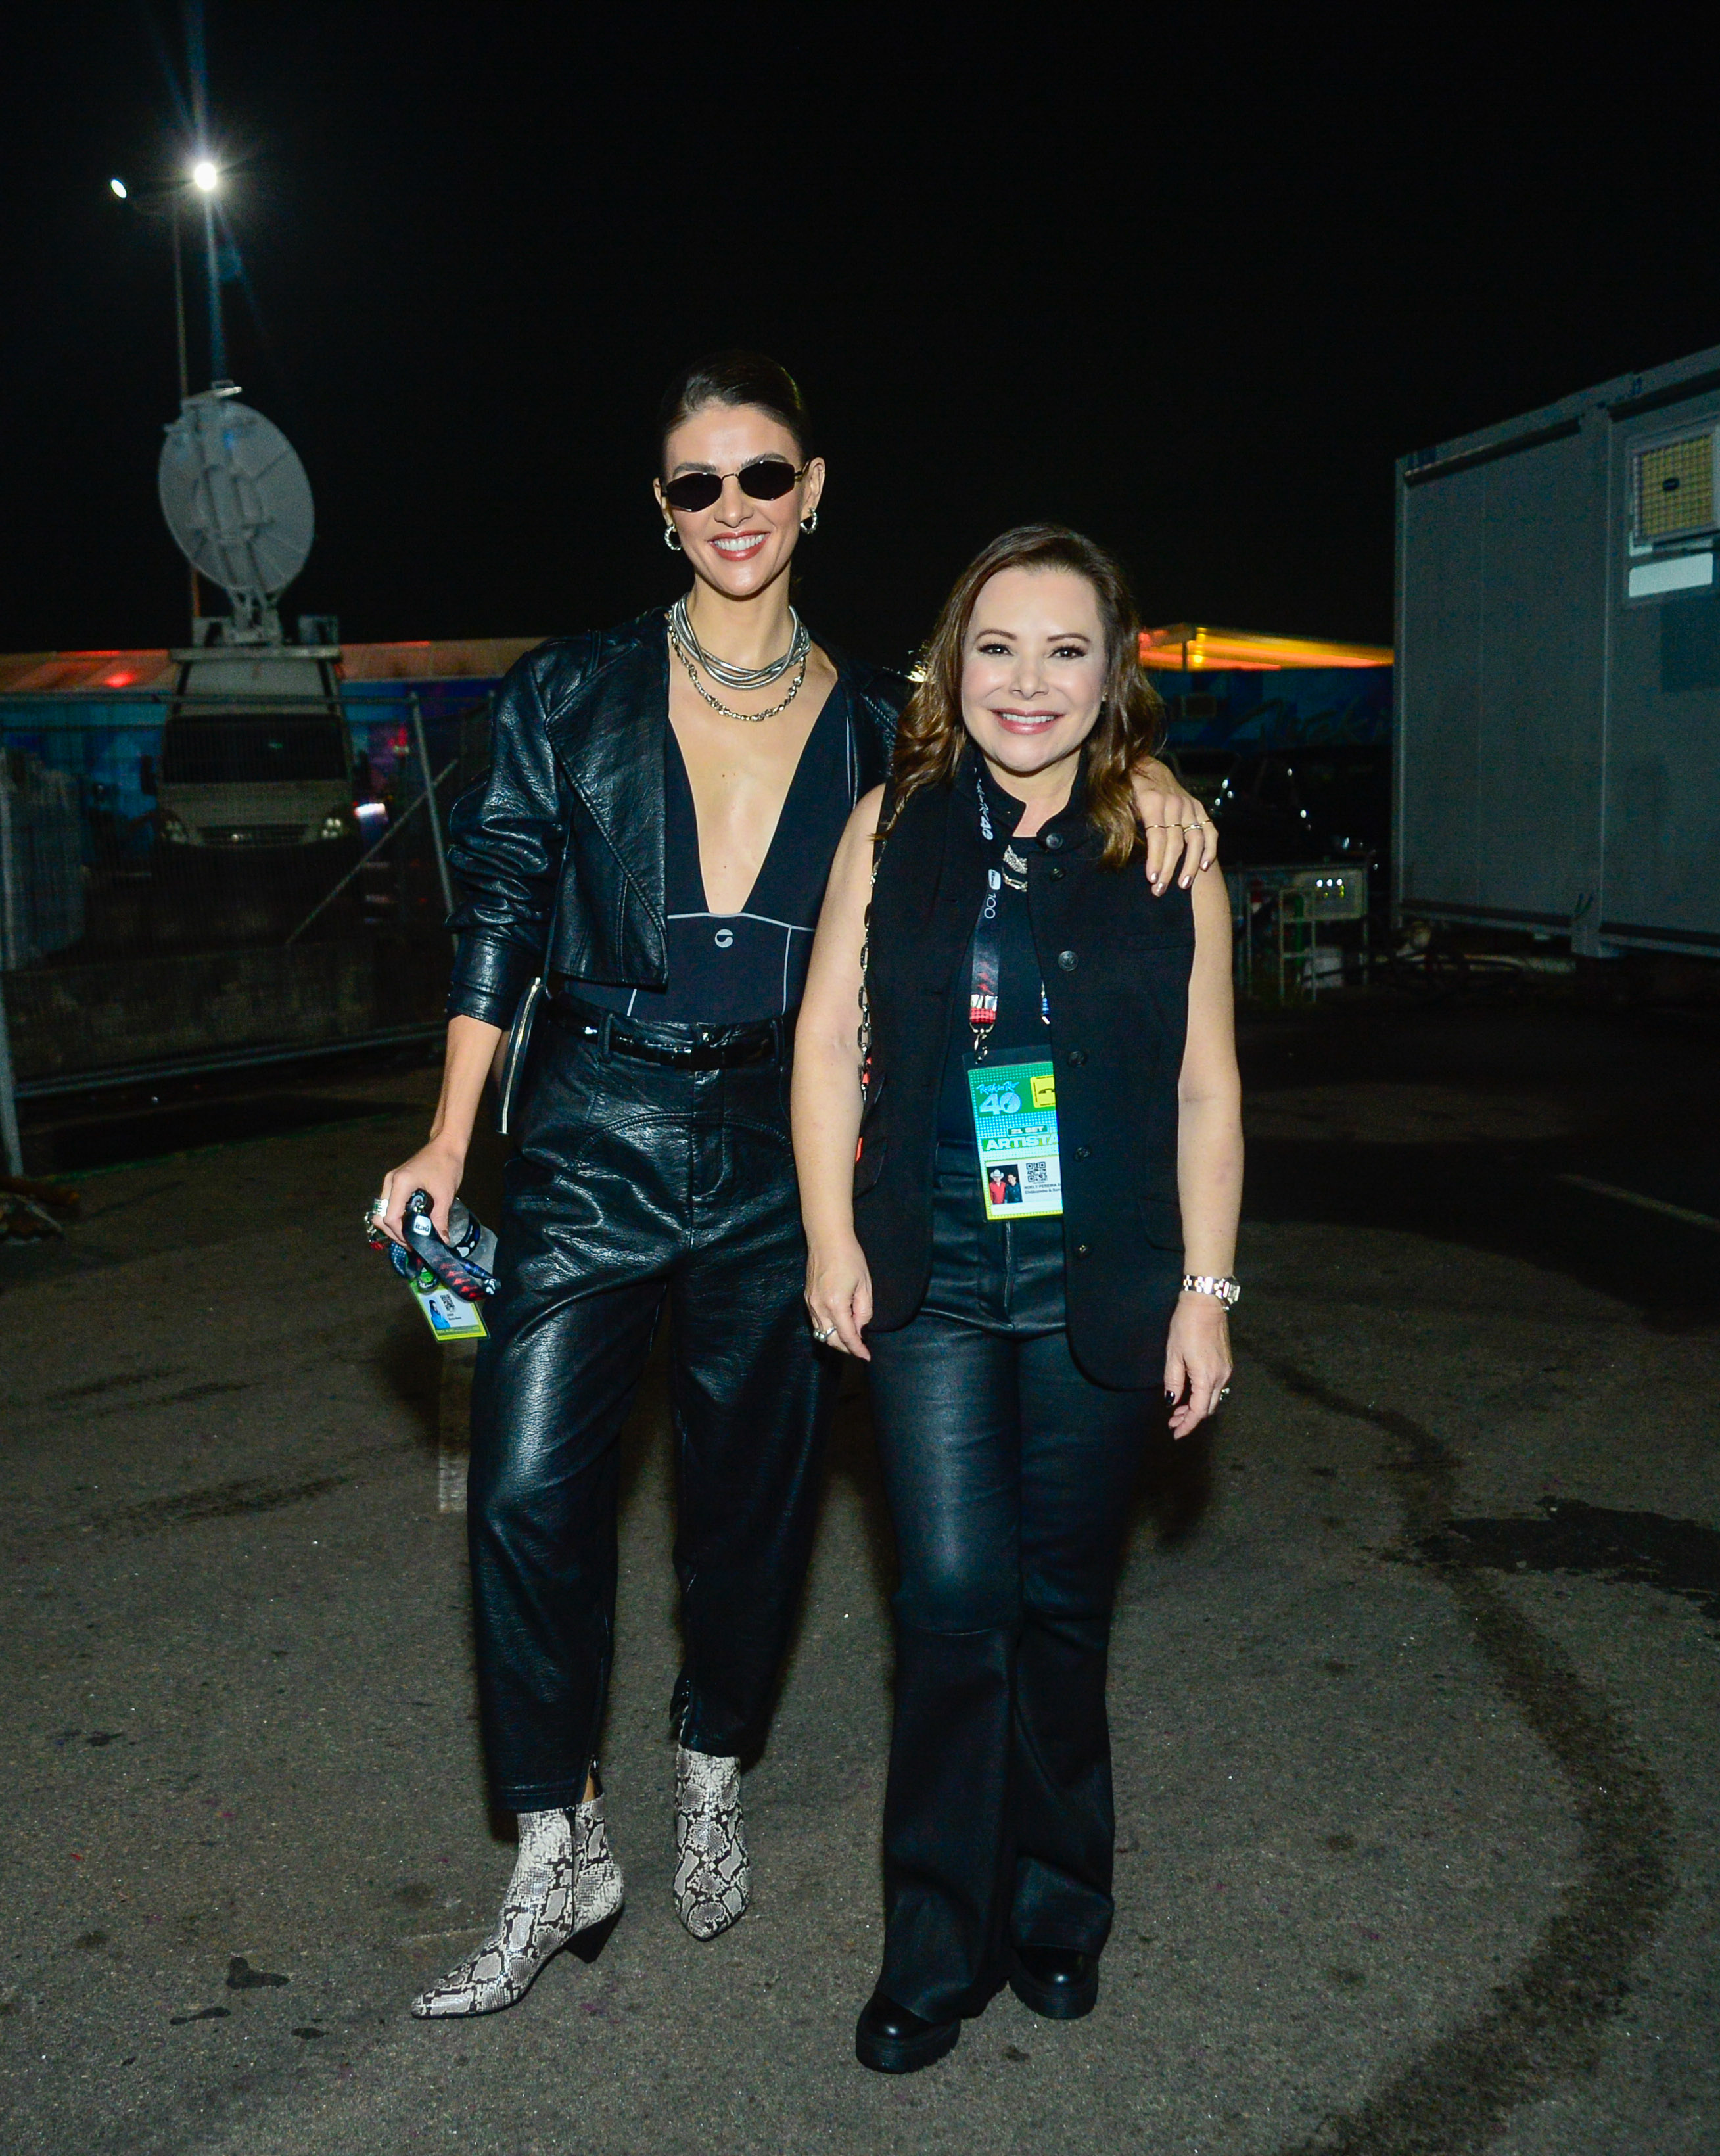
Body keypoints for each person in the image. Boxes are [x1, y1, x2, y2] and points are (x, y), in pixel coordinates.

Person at [373, 358, 1216, 2021]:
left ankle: (709, 1765)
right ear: (662, 507)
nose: (733, 511)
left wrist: (1153, 785)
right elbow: (501, 915)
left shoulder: (870, 727)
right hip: (595, 1125)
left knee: (748, 1501)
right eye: (697, 485)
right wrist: (449, 1136)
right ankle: (557, 1838)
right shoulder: (571, 691)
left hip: (780, 1145)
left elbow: (1023, 781)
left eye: (764, 477)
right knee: (528, 1489)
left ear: (813, 488)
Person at [793, 524, 1243, 2073]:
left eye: (1065, 649)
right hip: (929, 1276)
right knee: (951, 1606)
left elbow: (1205, 1090)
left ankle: (1057, 1911)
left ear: (1113, 672)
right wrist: (825, 1236)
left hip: (1097, 1281)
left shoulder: (1169, 848)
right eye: (998, 646)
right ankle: (934, 1936)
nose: (1028, 681)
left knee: (1062, 1611)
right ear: (950, 664)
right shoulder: (889, 823)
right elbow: (823, 1043)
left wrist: (1205, 1288)